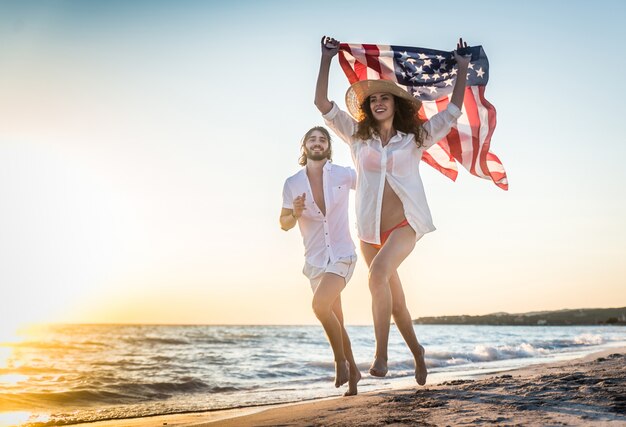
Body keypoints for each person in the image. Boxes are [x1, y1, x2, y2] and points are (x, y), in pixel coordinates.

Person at [314, 35, 471, 386]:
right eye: (374, 100)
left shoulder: (415, 138)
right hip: (369, 231)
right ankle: (418, 353)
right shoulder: (357, 137)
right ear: (367, 108)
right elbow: (322, 103)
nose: (379, 103)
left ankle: (381, 355)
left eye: (385, 98)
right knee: (396, 303)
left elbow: (452, 112)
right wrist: (325, 58)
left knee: (376, 276)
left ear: (395, 105)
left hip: (405, 224)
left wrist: (461, 68)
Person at [280, 126, 361, 396]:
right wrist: (296, 213)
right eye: (312, 140)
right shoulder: (292, 183)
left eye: (322, 139)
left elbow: (372, 183)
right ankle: (354, 374)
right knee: (335, 317)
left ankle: (340, 361)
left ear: (328, 145)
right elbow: (284, 224)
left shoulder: (343, 174)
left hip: (341, 254)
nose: (317, 143)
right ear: (304, 146)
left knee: (319, 305)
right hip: (315, 260)